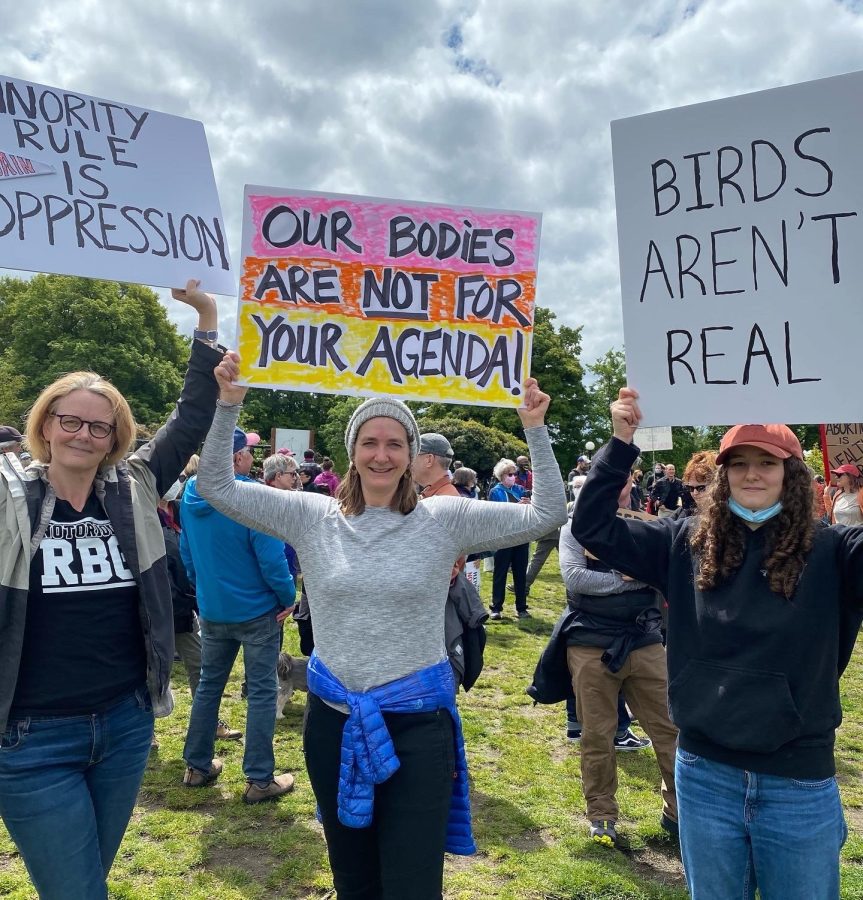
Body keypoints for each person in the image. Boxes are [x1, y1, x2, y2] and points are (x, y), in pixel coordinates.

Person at [195, 356, 567, 900]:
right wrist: (229, 403)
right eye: (370, 442)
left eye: (396, 444)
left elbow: (547, 514)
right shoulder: (311, 515)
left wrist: (535, 429)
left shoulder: (445, 520)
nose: (382, 454)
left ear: (413, 456)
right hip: (334, 721)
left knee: (412, 883)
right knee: (353, 877)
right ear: (352, 451)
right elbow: (216, 485)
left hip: (419, 726)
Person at [573, 387, 861, 900]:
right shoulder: (685, 540)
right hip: (705, 775)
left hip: (796, 780)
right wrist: (621, 441)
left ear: (791, 475)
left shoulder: (835, 552)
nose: (752, 474)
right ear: (722, 475)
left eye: (767, 463)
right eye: (739, 463)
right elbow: (592, 525)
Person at [0, 280, 222, 900]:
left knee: (85, 879)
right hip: (29, 736)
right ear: (45, 423)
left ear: (116, 435)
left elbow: (191, 417)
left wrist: (205, 320)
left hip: (125, 726)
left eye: (101, 427)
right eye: (70, 420)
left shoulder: (135, 490)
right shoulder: (6, 493)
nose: (84, 435)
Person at [558, 474, 678, 847]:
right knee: (597, 734)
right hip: (591, 643)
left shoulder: (646, 527)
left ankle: (679, 812)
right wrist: (630, 578)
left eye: (623, 482)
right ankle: (602, 817)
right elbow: (576, 578)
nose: (617, 488)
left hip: (644, 640)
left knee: (671, 730)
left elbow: (666, 575)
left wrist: (643, 575)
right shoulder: (573, 528)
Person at [180, 428, 296, 803]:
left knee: (209, 686)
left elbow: (187, 551)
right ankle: (260, 779)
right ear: (234, 458)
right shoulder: (251, 496)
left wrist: (202, 589)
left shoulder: (191, 491)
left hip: (213, 608)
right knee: (261, 692)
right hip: (256, 610)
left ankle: (197, 766)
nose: (251, 456)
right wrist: (288, 597)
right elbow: (271, 559)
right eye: (247, 451)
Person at [487, 458, 532, 620]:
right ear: (502, 475)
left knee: (520, 574)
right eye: (510, 474)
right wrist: (517, 507)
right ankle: (496, 607)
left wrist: (529, 504)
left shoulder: (520, 489)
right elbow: (496, 514)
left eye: (514, 474)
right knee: (500, 573)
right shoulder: (495, 491)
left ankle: (522, 608)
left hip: (521, 536)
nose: (513, 476)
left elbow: (531, 513)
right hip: (504, 537)